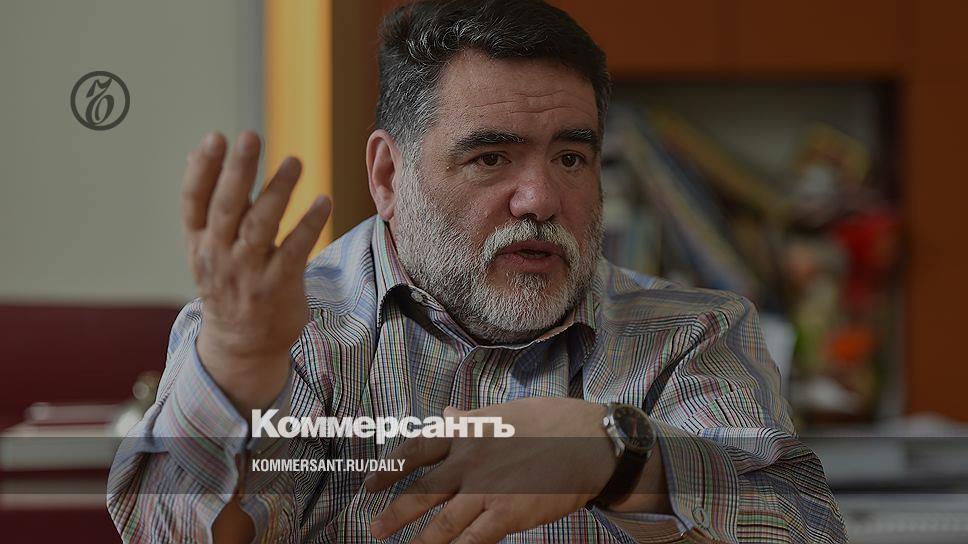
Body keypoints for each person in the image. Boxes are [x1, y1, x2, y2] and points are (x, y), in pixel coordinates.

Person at [107, 0, 847, 542]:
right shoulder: (285, 333)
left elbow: (801, 529)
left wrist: (616, 457)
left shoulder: (693, 334)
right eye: (491, 157)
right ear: (388, 176)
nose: (541, 198)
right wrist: (238, 371)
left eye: (572, 157)